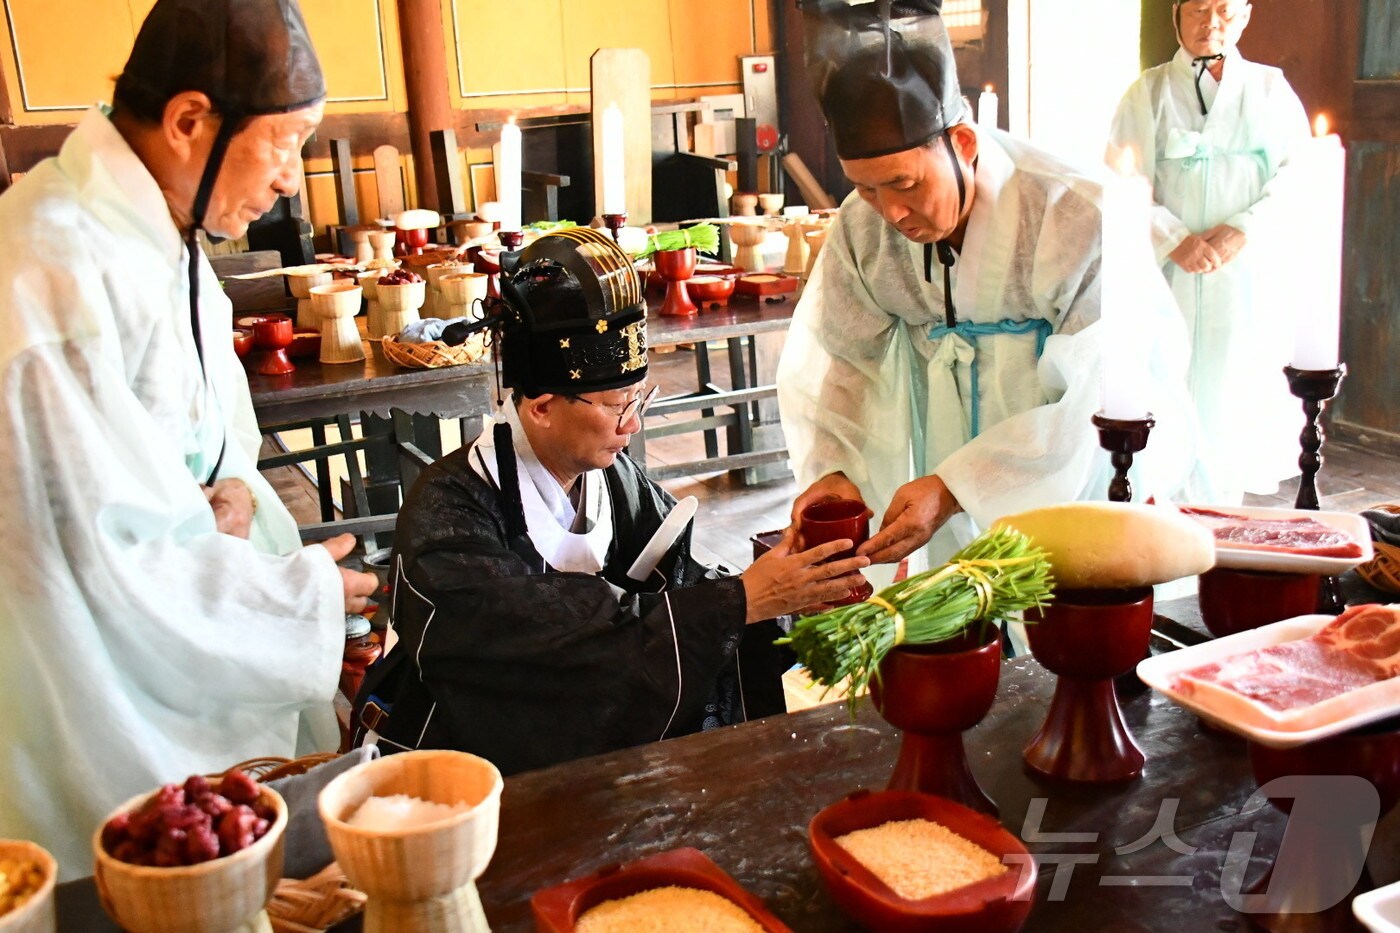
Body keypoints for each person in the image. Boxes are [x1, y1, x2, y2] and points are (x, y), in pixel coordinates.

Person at [0, 0, 377, 877]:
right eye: (284, 142)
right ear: (188, 121)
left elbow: (214, 432)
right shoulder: (48, 267)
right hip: (91, 675)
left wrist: (237, 489)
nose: (291, 179)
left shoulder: (162, 228)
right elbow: (91, 554)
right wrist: (302, 603)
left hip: (198, 588)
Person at [357, 228, 869, 774]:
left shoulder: (614, 480)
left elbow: (680, 593)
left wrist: (782, 597)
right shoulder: (448, 514)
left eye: (639, 397)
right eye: (617, 403)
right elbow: (553, 654)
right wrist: (739, 601)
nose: (634, 423)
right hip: (477, 775)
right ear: (543, 408)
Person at [779, 0, 1198, 573]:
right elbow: (845, 360)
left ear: (964, 143)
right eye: (868, 189)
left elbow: (1101, 392)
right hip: (939, 472)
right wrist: (835, 469)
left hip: (1072, 477)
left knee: (1061, 621)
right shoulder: (861, 226)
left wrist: (957, 486)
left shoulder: (1073, 213)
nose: (891, 213)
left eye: (905, 183)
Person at [1109, 0, 1309, 503]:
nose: (1211, 23)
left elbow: (1299, 173)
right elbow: (1120, 176)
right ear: (1176, 13)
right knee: (1165, 379)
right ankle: (1163, 502)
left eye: (1224, 11)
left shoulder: (1269, 88)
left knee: (1232, 385)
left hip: (1240, 272)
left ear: (1245, 15)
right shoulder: (1147, 91)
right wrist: (1172, 237)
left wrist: (1242, 229)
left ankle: (1222, 510)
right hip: (1167, 272)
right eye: (1199, 9)